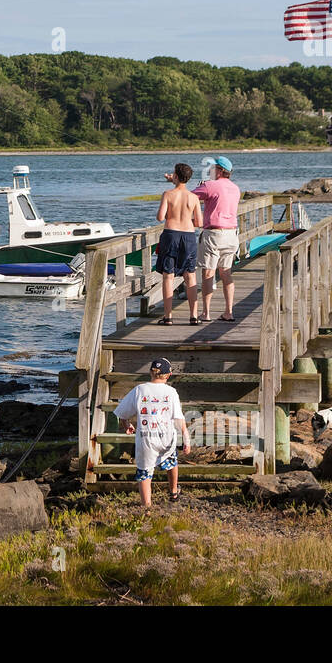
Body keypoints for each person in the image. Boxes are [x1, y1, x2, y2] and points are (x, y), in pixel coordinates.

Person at [113, 358, 190, 507]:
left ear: (150, 373)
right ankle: (174, 492)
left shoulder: (140, 390)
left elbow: (122, 413)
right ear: (169, 375)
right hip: (166, 438)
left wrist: (127, 425)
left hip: (146, 439)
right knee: (172, 462)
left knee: (144, 473)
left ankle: (147, 508)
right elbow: (179, 418)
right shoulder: (171, 392)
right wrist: (186, 440)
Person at [194, 155, 241, 322]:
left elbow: (188, 198)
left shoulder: (210, 185)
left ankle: (206, 313)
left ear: (220, 171)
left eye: (213, 168)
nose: (210, 170)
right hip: (231, 234)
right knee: (226, 273)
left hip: (214, 234)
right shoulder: (235, 188)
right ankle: (228, 312)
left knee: (208, 273)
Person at [154, 163, 202, 325]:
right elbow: (200, 222)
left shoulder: (168, 194)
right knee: (190, 275)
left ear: (175, 176)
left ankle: (168, 317)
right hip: (188, 236)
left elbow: (160, 217)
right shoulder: (194, 197)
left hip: (171, 234)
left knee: (168, 275)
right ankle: (193, 316)